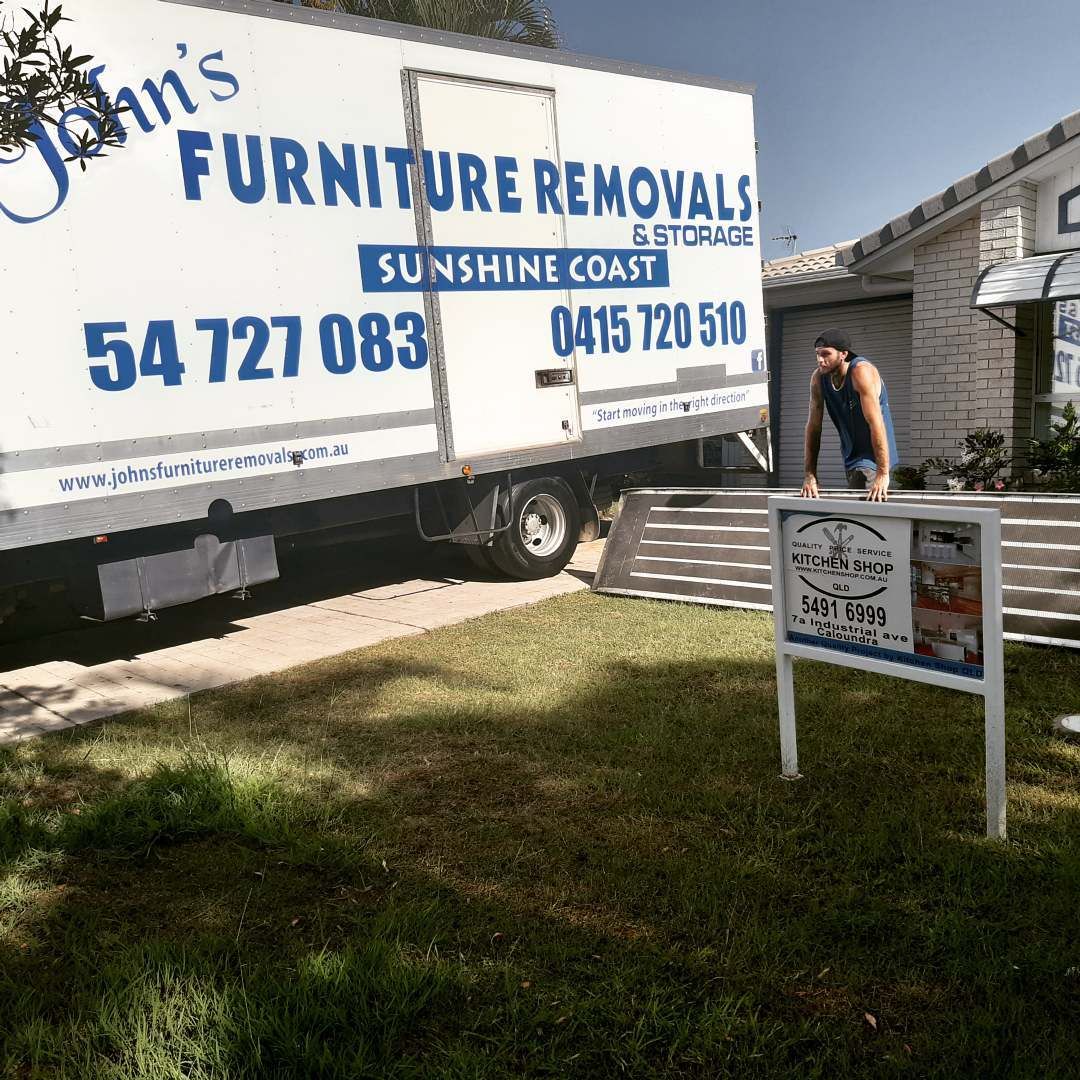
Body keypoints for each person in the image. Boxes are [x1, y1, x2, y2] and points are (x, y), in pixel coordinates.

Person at [801, 327, 898, 502]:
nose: (820, 360)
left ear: (843, 354)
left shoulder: (861, 372)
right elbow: (813, 427)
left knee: (860, 518)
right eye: (817, 354)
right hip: (851, 457)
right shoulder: (818, 379)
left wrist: (883, 473)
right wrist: (810, 475)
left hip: (872, 459)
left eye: (826, 354)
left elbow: (875, 422)